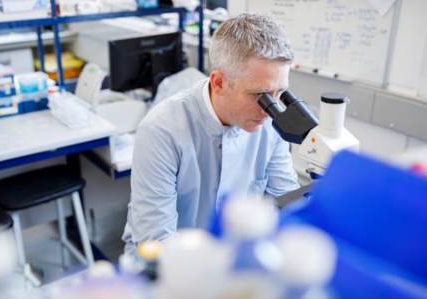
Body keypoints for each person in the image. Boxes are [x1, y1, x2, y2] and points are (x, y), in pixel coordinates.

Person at [122, 13, 300, 252]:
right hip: (170, 263)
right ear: (219, 82)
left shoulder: (269, 122)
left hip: (236, 255)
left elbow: (286, 203)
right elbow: (155, 241)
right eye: (261, 96)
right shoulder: (161, 130)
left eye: (280, 94)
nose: (271, 110)